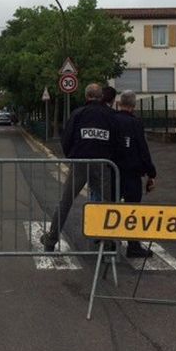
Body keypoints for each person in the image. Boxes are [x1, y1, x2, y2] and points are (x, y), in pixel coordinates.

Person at [40, 83, 120, 251]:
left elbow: (66, 138)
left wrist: (71, 155)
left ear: (86, 96)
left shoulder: (78, 113)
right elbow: (117, 140)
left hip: (80, 163)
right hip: (103, 163)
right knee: (107, 203)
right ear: (101, 97)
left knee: (66, 201)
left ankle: (51, 239)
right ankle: (108, 242)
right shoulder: (111, 115)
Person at [114, 90, 157, 258]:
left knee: (112, 206)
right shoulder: (135, 123)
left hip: (113, 170)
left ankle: (109, 242)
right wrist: (151, 172)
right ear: (133, 105)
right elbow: (142, 148)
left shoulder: (112, 119)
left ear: (119, 103)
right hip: (132, 171)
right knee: (133, 208)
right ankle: (133, 246)